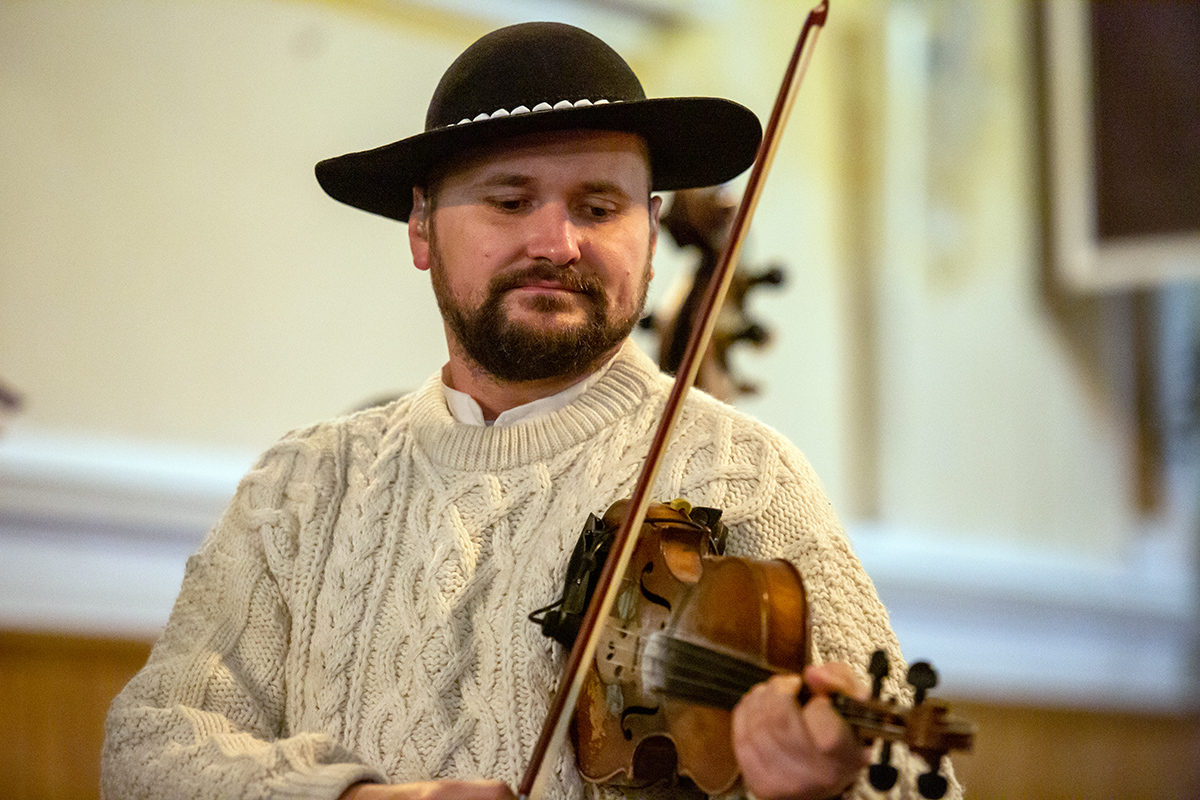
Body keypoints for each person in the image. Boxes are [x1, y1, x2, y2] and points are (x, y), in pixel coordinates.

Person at [102, 21, 959, 800]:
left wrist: (815, 788)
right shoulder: (304, 485)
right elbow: (146, 751)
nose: (556, 243)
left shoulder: (743, 476)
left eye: (599, 207)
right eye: (510, 202)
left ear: (651, 233)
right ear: (420, 227)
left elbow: (922, 787)